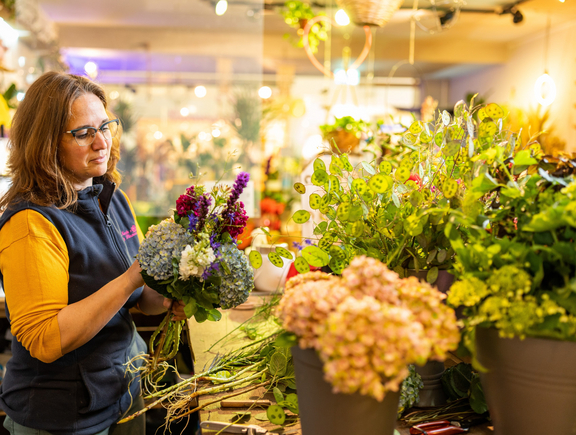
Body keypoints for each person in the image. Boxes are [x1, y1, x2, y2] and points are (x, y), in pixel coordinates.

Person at [0, 72, 186, 435]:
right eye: (83, 133)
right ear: (46, 142)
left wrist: (167, 294)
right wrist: (133, 275)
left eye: (104, 126)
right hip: (63, 415)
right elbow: (46, 340)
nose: (101, 142)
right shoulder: (30, 223)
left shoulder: (112, 199)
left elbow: (137, 301)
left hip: (123, 392)